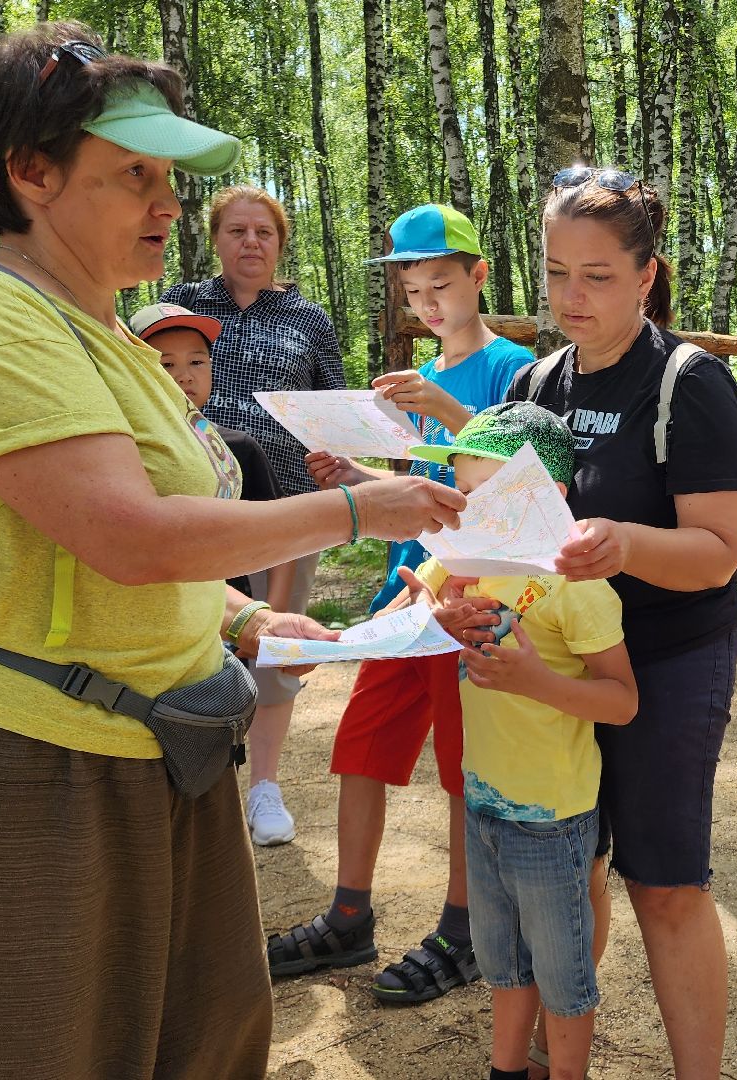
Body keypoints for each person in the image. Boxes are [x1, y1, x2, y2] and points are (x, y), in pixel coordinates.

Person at [0, 25, 462, 1079]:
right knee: (20, 1046)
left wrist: (245, 617)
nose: (167, 206)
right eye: (133, 175)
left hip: (156, 743)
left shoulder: (112, 332)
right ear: (28, 173)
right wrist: (363, 512)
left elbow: (115, 537)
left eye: (169, 177)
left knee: (202, 1044)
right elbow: (126, 535)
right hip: (10, 754)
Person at [503, 165, 737, 1079]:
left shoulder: (691, 384)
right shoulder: (537, 381)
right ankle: (551, 1059)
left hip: (670, 659)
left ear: (647, 275)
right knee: (568, 866)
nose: (573, 295)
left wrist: (621, 543)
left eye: (598, 275)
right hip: (566, 660)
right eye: (557, 270)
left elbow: (718, 551)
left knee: (665, 884)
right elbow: (510, 519)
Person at [268, 204, 533, 1004]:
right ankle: (350, 915)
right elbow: (427, 489)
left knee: (462, 770)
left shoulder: (511, 367)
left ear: (479, 277)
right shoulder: (417, 384)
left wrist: (445, 410)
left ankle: (465, 928)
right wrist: (357, 480)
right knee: (361, 748)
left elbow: (517, 479)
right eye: (413, 291)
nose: (428, 305)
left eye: (441, 285)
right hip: (403, 593)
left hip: (471, 595)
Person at [409, 402, 636, 1080]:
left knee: (562, 978)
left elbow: (622, 701)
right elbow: (409, 609)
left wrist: (535, 680)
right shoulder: (462, 565)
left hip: (551, 818)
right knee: (503, 964)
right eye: (465, 495)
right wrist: (430, 612)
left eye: (489, 495)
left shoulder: (577, 587)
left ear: (552, 496)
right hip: (484, 803)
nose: (471, 511)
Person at [162, 184, 345, 846]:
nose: (251, 243)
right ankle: (200, 783)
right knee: (192, 638)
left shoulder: (307, 318)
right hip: (193, 503)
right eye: (237, 231)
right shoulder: (180, 305)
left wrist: (337, 460)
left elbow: (334, 405)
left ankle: (264, 788)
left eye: (263, 233)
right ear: (216, 239)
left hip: (287, 510)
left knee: (274, 645)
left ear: (280, 243)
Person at [131, 302, 291, 601]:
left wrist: (273, 615)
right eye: (166, 364)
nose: (185, 376)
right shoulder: (123, 446)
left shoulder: (237, 448)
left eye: (197, 362)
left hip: (229, 619)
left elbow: (280, 534)